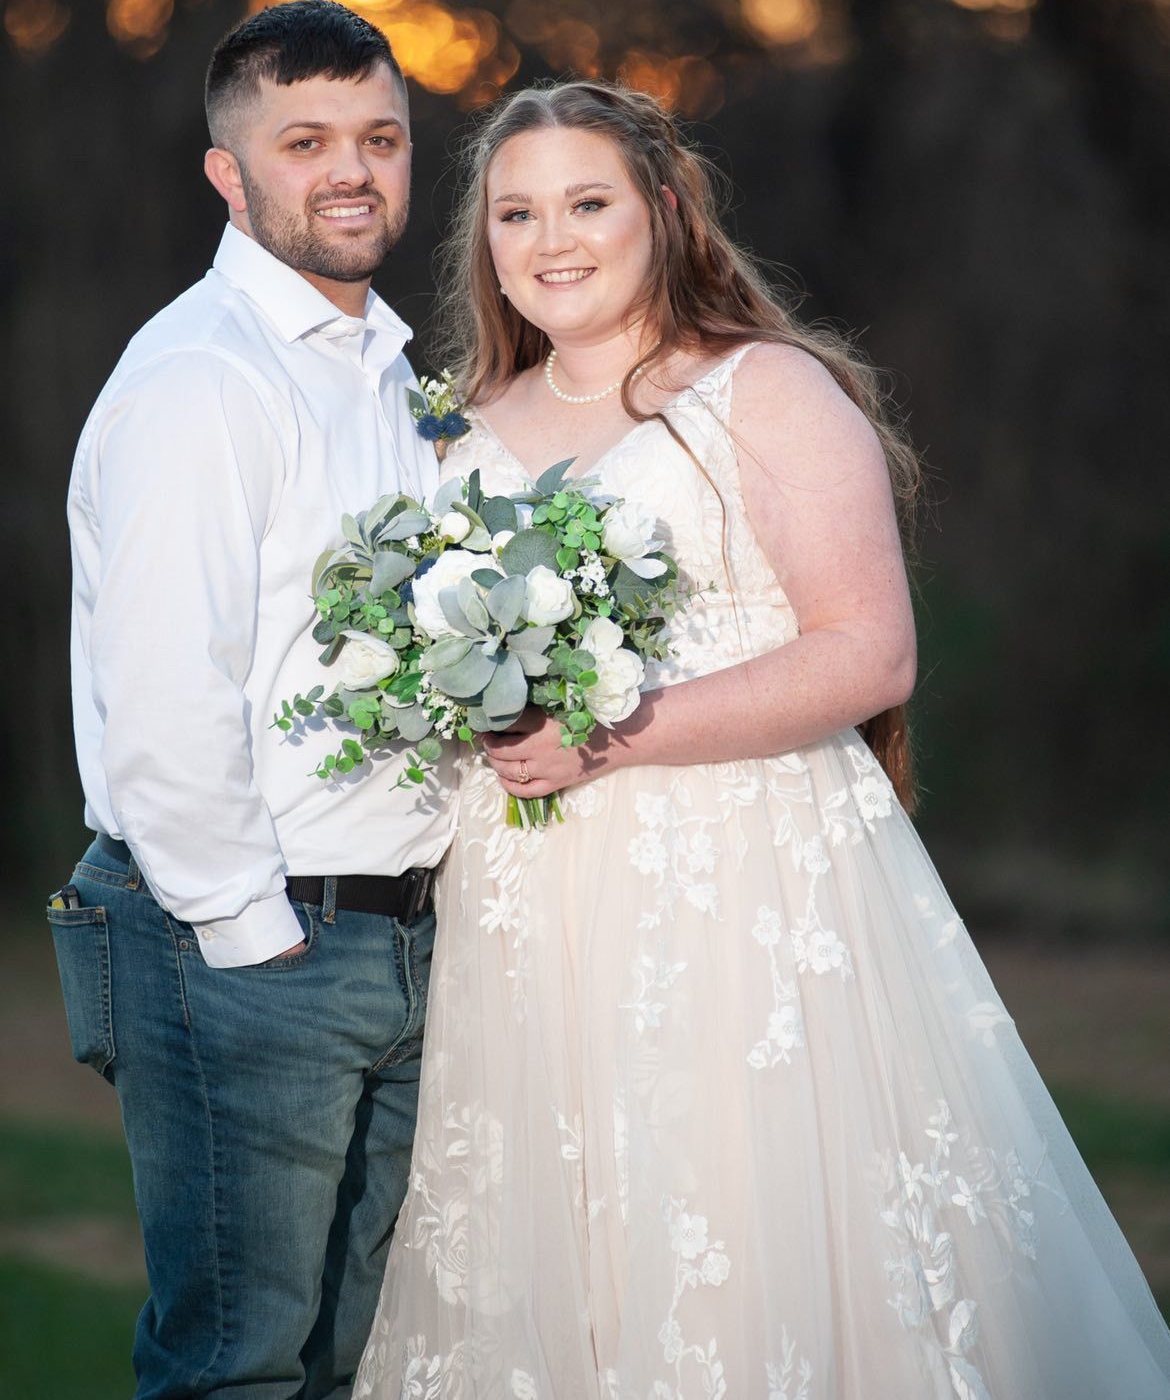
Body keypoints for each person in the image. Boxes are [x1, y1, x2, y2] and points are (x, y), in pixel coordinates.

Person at [357, 79, 1170, 1398]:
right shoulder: (454, 425)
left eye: (585, 203)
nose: (550, 240)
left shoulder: (756, 389)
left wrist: (614, 734)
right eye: (516, 212)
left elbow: (867, 651)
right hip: (523, 900)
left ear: (663, 212)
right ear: (482, 240)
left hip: (731, 882)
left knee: (727, 1220)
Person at [52, 0, 454, 1399]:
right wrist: (248, 934)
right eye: (306, 140)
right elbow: (164, 697)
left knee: (351, 1359)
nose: (353, 168)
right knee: (239, 1369)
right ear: (230, 174)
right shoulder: (204, 379)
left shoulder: (397, 375)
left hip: (397, 934)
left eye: (380, 137)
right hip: (252, 936)